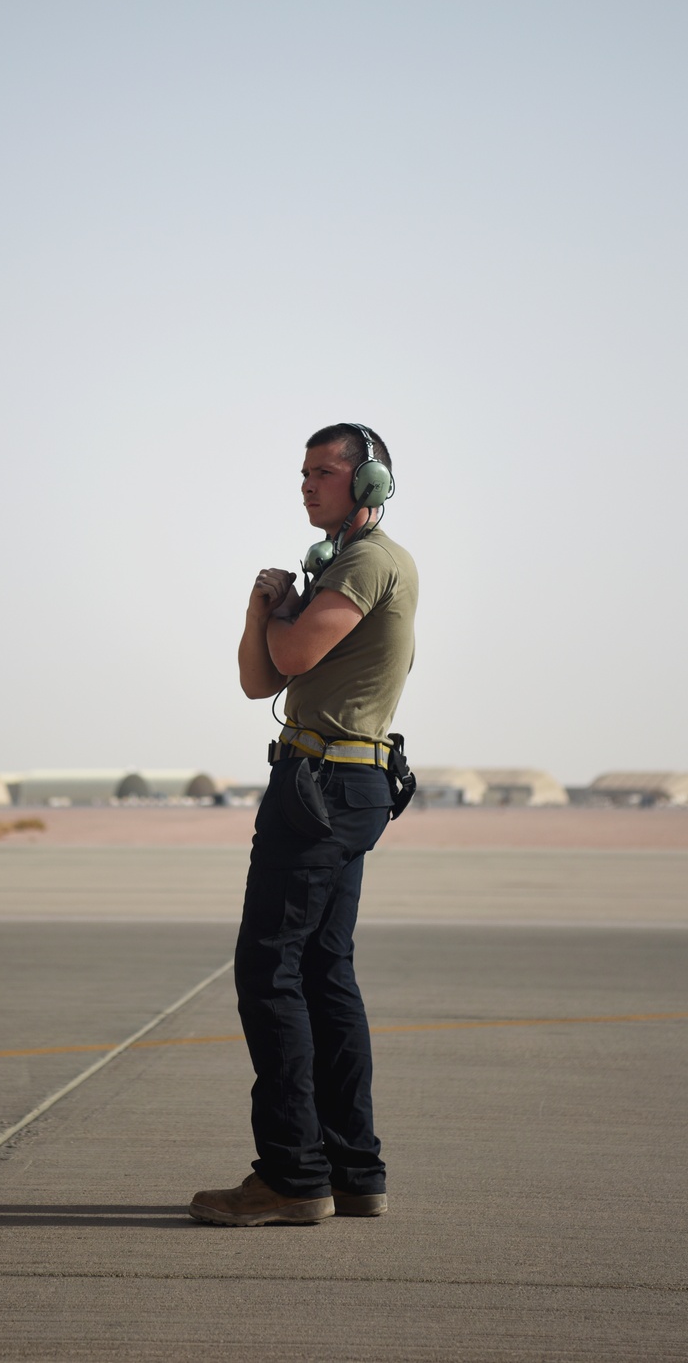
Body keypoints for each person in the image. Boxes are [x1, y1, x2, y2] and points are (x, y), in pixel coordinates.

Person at [189, 422, 418, 1227]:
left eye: (325, 472)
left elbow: (287, 661)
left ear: (369, 486)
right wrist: (263, 608)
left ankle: (292, 1175)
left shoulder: (365, 565)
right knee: (322, 972)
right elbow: (260, 676)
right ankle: (353, 1173)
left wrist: (281, 616)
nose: (307, 484)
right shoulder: (336, 572)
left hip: (322, 786)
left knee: (270, 970)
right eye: (303, 471)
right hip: (332, 781)